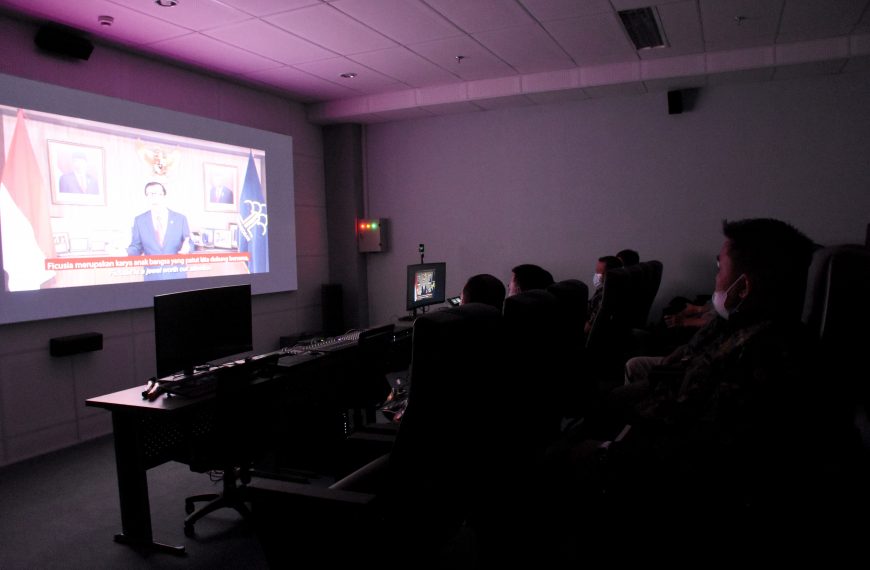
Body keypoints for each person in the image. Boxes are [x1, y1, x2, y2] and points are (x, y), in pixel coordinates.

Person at [554, 218, 825, 540]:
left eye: (719, 269)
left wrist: (607, 452)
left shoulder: (764, 355)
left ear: (744, 286)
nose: (716, 279)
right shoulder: (751, 328)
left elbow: (698, 454)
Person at [127, 181, 192, 280]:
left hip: (177, 276)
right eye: (148, 194)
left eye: (155, 194)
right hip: (152, 277)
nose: (152, 197)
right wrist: (124, 252)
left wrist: (188, 248)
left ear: (164, 196)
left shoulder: (180, 219)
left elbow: (189, 242)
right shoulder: (139, 220)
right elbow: (136, 247)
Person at [584, 255, 622, 335]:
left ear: (610, 274)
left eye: (599, 273)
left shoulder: (606, 294)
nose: (596, 276)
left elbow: (588, 327)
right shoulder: (603, 288)